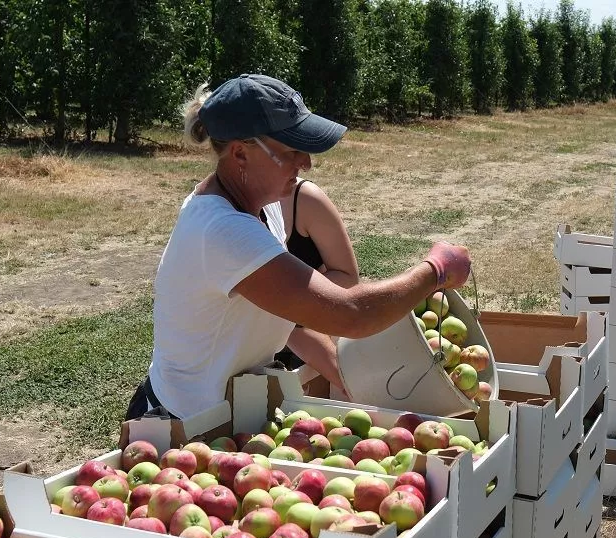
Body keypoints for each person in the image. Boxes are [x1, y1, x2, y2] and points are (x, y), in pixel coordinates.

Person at [127, 73, 470, 420]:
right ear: (240, 153)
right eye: (291, 150)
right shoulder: (222, 230)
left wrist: (343, 370)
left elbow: (284, 309)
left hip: (229, 419)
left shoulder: (264, 203)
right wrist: (436, 270)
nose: (305, 162)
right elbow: (350, 314)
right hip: (179, 430)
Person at [272, 177, 360, 370]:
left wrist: (285, 308)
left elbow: (348, 279)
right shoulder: (227, 208)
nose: (305, 163)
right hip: (251, 345)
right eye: (289, 151)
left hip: (307, 334)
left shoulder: (306, 199)